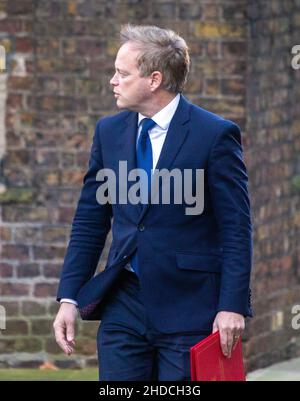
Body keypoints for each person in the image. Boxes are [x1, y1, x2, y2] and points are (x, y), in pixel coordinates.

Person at [53, 24, 253, 381]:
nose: (113, 81)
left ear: (154, 79)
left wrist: (231, 305)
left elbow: (236, 229)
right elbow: (90, 220)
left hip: (191, 307)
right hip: (124, 304)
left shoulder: (215, 135)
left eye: (122, 73)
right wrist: (69, 297)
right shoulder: (109, 133)